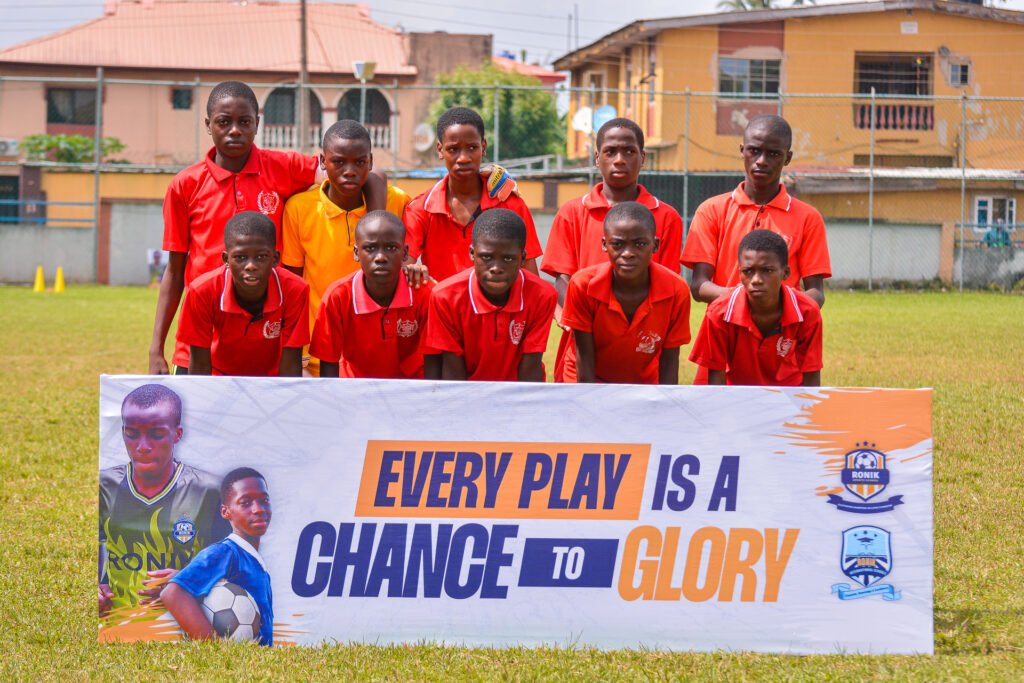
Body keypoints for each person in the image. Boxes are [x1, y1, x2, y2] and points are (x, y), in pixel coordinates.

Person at [150, 81, 386, 375]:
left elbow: (364, 172)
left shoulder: (282, 166)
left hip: (267, 343)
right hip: (203, 343)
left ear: (257, 123)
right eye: (224, 122)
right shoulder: (185, 185)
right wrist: (156, 348)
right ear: (209, 125)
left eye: (244, 122)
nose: (235, 130)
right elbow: (174, 271)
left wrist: (375, 227)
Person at [681, 114, 830, 383]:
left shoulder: (808, 217)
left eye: (773, 153)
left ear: (787, 157)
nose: (762, 160)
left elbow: (816, 292)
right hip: (724, 343)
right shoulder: (711, 210)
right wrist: (742, 301)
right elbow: (699, 285)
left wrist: (778, 307)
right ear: (742, 150)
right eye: (754, 150)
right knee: (716, 408)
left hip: (781, 355)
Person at [542, 117, 683, 381]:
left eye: (629, 151)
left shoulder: (666, 217)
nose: (619, 160)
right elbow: (562, 278)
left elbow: (666, 284)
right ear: (597, 158)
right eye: (610, 152)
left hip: (640, 351)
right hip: (583, 344)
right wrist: (583, 318)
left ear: (643, 158)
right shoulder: (572, 212)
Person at [282, 119, 415, 376]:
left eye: (360, 162)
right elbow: (292, 285)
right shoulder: (299, 208)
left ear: (371, 162)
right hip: (319, 356)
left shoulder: (396, 201)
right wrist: (294, 354)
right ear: (323, 161)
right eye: (339, 162)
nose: (350, 171)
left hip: (379, 358)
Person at [99, 384, 229, 617]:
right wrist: (98, 587)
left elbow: (233, 563)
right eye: (132, 434)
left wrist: (188, 580)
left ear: (177, 434)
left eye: (156, 434)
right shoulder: (104, 485)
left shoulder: (209, 491)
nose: (142, 447)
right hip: (118, 624)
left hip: (184, 625)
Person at [404, 106, 544, 283]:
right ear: (440, 150)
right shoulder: (421, 209)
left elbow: (530, 279)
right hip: (441, 300)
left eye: (472, 147)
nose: (463, 158)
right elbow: (403, 268)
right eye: (453, 149)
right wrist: (414, 272)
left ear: (483, 147)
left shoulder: (510, 204)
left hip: (499, 301)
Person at [561, 202, 691, 384]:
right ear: (604, 244)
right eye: (618, 244)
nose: (628, 253)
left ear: (655, 245)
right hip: (587, 379)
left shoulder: (676, 290)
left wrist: (664, 400)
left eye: (640, 244)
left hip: (644, 383)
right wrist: (588, 398)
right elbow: (584, 356)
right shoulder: (583, 285)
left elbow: (670, 360)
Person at [426, 208, 556, 382]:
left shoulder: (542, 295)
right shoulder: (446, 297)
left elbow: (531, 366)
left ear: (523, 258)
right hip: (466, 391)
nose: (496, 268)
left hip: (518, 391)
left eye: (508, 259)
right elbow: (453, 371)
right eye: (486, 257)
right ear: (472, 254)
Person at [176, 212, 309, 377]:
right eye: (240, 257)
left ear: (275, 259)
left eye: (261, 257)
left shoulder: (295, 290)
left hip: (271, 379)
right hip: (219, 377)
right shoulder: (202, 291)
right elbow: (200, 366)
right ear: (226, 259)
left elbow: (291, 366)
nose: (251, 266)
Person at [310, 211, 438, 379]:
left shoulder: (424, 292)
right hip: (355, 388)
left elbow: (434, 363)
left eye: (391, 248)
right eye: (370, 248)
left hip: (413, 388)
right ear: (356, 253)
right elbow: (328, 365)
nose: (380, 257)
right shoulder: (338, 296)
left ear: (405, 253)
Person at [689, 229, 822, 386]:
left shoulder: (807, 312)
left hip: (789, 396)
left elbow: (811, 380)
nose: (756, 280)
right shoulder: (719, 313)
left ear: (785, 273)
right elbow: (716, 381)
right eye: (748, 271)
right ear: (740, 273)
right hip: (735, 396)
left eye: (767, 270)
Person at [162, 468, 275, 646]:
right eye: (245, 503)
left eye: (264, 500)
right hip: (238, 661)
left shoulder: (254, 561)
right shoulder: (225, 553)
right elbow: (173, 593)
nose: (258, 509)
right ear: (225, 512)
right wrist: (216, 648)